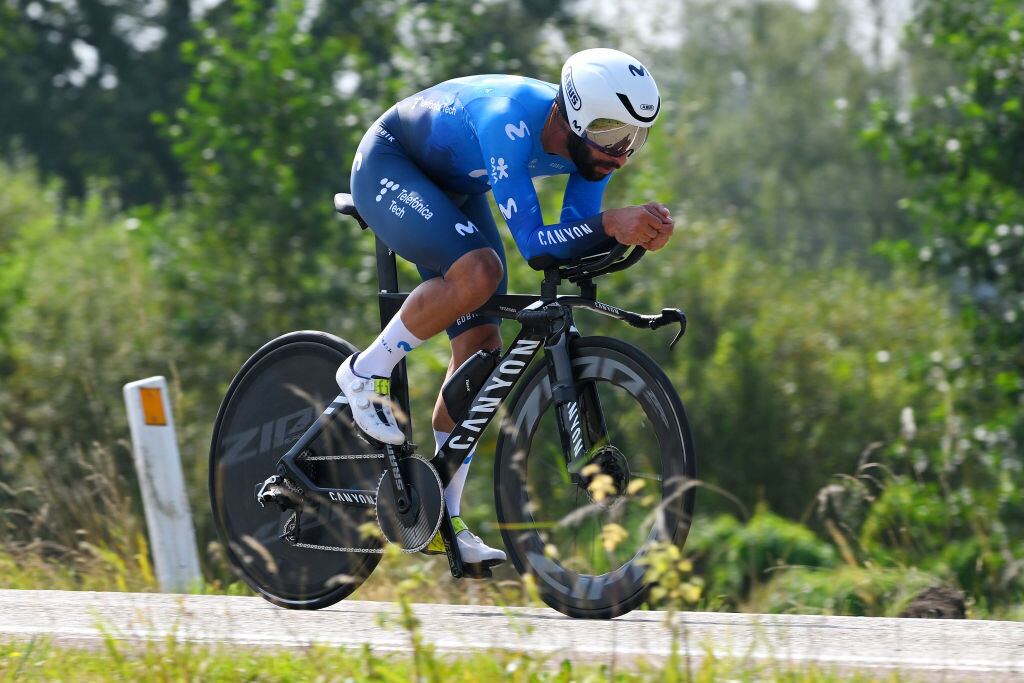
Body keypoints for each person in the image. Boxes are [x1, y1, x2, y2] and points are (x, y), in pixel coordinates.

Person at [337, 48, 674, 567]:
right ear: (576, 114)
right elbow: (539, 245)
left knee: (481, 350)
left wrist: (633, 232)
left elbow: (573, 242)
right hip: (391, 163)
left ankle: (442, 520)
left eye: (634, 138)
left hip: (453, 185)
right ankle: (365, 371)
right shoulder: (508, 122)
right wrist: (610, 223)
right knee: (481, 272)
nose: (622, 153)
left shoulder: (594, 151)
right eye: (611, 134)